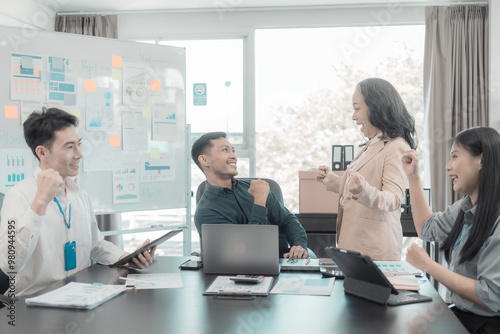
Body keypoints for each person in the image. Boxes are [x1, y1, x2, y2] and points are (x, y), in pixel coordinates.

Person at [0, 108, 156, 297]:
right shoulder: (19, 196)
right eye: (69, 147)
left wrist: (125, 258)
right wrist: (40, 202)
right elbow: (9, 264)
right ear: (42, 152)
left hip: (78, 296)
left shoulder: (80, 195)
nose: (79, 154)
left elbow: (95, 244)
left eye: (79, 144)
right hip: (33, 304)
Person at [402, 127, 500, 333]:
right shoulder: (465, 206)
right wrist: (413, 177)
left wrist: (428, 265)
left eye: (454, 157)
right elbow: (427, 229)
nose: (448, 167)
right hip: (462, 315)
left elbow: (491, 295)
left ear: (481, 160)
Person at [316, 78, 417, 260]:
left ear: (376, 107)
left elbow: (393, 198)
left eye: (357, 109)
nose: (353, 117)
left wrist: (363, 191)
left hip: (375, 252)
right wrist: (330, 179)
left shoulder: (396, 147)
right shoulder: (373, 144)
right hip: (357, 246)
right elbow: (359, 186)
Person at [192, 132, 309, 259]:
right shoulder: (206, 212)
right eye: (225, 150)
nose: (233, 156)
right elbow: (248, 251)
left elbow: (287, 220)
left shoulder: (255, 187)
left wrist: (299, 246)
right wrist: (259, 201)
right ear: (204, 160)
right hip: (242, 272)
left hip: (282, 261)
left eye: (233, 150)